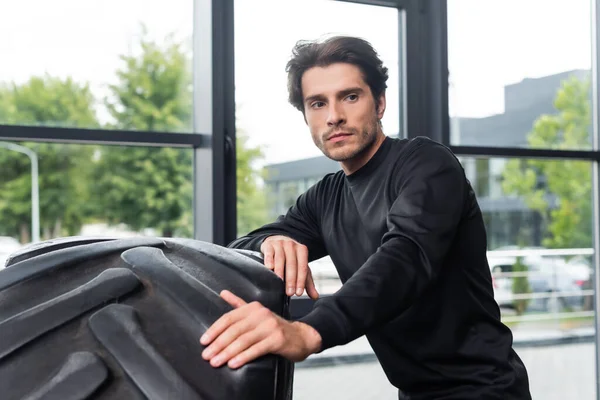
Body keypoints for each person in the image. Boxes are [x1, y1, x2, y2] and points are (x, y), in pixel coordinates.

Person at [199, 35, 531, 399]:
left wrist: (308, 331)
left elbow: (404, 258)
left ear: (380, 103)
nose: (334, 116)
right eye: (317, 103)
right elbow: (235, 251)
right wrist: (269, 242)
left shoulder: (426, 165)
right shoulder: (326, 198)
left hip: (486, 391)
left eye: (350, 97)